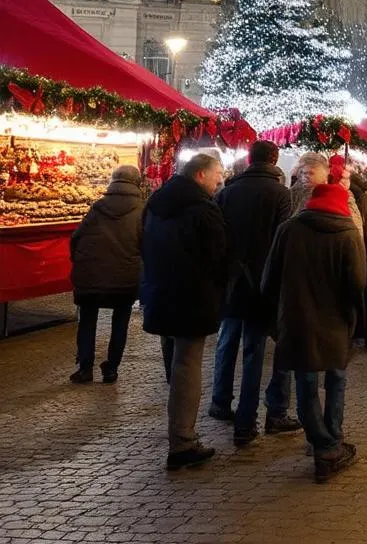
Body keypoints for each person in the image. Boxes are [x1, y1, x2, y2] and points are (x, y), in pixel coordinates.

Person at [261, 175, 366, 484]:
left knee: (306, 382)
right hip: (335, 321)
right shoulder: (348, 235)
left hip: (297, 319)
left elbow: (269, 280)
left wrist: (274, 315)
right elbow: (358, 284)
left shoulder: (288, 230)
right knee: (336, 379)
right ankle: (331, 440)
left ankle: (320, 441)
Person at [210, 140, 300, 446]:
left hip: (233, 279)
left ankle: (220, 401)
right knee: (254, 351)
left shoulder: (227, 192)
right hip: (262, 282)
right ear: (274, 159)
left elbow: (217, 237)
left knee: (227, 341)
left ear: (249, 159)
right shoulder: (280, 194)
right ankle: (247, 422)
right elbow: (282, 238)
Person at [141, 152, 227, 471]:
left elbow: (142, 244)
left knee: (177, 363)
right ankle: (182, 440)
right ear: (200, 175)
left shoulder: (157, 203)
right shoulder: (203, 209)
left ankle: (180, 434)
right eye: (217, 172)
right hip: (191, 297)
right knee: (187, 366)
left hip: (161, 292)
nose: (221, 178)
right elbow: (219, 256)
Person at [68, 165, 145, 384]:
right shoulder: (142, 210)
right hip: (125, 277)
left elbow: (77, 237)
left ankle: (85, 367)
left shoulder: (98, 207)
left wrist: (80, 262)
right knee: (120, 321)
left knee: (87, 319)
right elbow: (146, 244)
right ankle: (111, 369)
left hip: (92, 275)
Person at [346, 166, 367, 350]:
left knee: (361, 293)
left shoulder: (357, 197)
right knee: (364, 293)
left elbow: (366, 225)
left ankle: (364, 334)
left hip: (364, 245)